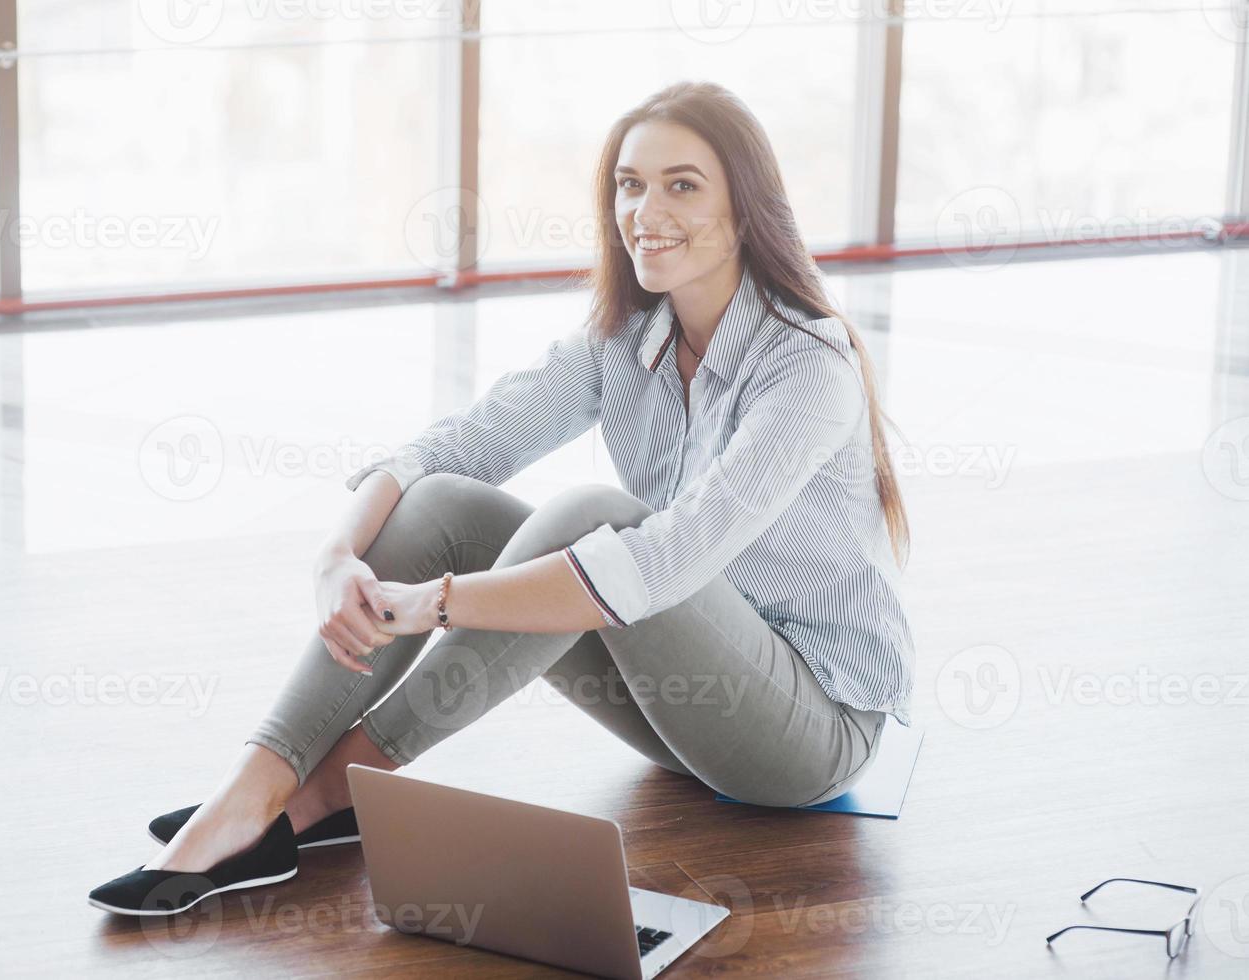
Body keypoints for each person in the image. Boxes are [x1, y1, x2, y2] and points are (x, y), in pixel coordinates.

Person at [89, 79, 916, 917]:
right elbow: (460, 445)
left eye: (683, 184)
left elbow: (665, 560)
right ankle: (254, 786)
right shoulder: (628, 338)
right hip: (684, 710)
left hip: (808, 735)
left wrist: (435, 606)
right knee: (444, 503)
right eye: (630, 184)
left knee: (596, 521)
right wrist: (335, 556)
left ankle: (323, 796)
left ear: (746, 209)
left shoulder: (808, 368)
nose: (645, 210)